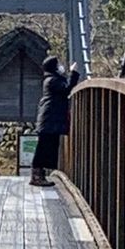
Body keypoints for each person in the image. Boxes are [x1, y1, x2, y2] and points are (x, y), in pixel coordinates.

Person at [31, 54, 80, 187]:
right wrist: (73, 72)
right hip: (49, 120)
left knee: (48, 147)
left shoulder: (52, 79)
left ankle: (39, 176)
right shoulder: (52, 80)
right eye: (58, 64)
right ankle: (36, 176)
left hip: (50, 119)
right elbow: (67, 89)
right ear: (53, 67)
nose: (60, 66)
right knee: (43, 148)